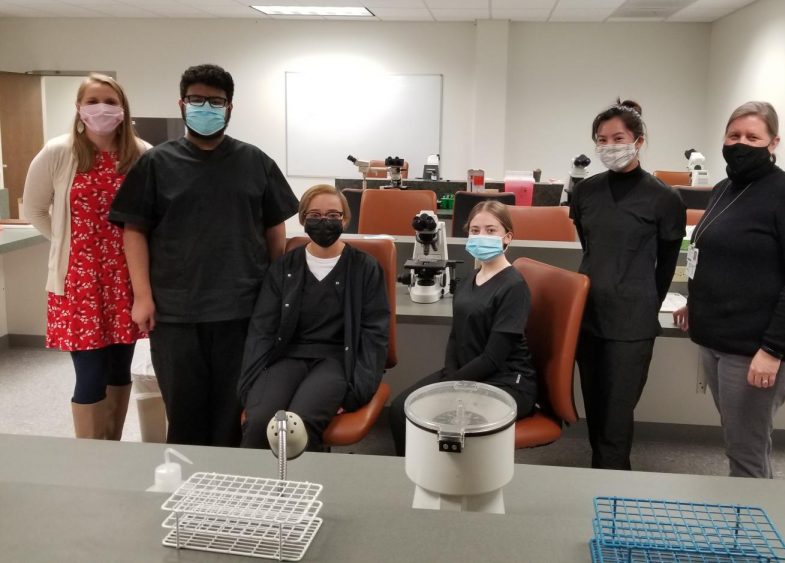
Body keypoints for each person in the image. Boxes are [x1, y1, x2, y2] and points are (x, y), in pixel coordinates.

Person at [109, 64, 299, 447]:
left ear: (230, 108)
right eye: (197, 100)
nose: (206, 107)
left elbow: (274, 230)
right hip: (177, 312)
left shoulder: (255, 162)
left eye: (216, 101)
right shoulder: (155, 164)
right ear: (182, 104)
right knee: (185, 412)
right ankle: (187, 491)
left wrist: (277, 292)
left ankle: (231, 492)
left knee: (234, 410)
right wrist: (142, 296)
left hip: (242, 310)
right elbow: (134, 232)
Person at [674, 101, 785, 478]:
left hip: (758, 348)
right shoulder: (725, 188)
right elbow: (709, 254)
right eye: (734, 135)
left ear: (773, 143)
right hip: (718, 340)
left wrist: (772, 350)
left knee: (745, 453)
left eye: (752, 137)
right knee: (743, 439)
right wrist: (695, 302)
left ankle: (748, 532)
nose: (741, 143)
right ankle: (749, 522)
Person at [23, 73, 150, 440]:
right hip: (79, 283)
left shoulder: (141, 155)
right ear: (79, 108)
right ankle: (89, 455)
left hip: (126, 281)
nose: (102, 109)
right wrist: (67, 242)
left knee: (119, 370)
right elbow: (34, 209)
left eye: (110, 102)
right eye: (93, 101)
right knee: (90, 375)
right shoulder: (59, 152)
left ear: (123, 109)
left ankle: (110, 446)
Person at [570, 99, 686, 470]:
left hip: (633, 320)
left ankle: (614, 485)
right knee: (596, 406)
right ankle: (598, 474)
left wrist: (642, 302)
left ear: (638, 140)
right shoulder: (584, 193)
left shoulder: (664, 198)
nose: (609, 146)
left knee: (618, 414)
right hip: (588, 316)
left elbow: (667, 262)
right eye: (601, 139)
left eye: (617, 137)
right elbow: (591, 249)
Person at [238, 185, 390, 450]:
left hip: (336, 360)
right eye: (315, 214)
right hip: (289, 356)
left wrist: (358, 392)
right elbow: (262, 329)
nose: (324, 221)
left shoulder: (365, 267)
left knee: (300, 424)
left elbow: (374, 334)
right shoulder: (285, 266)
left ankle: (304, 490)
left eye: (333, 215)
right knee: (260, 419)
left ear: (345, 219)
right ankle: (257, 489)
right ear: (303, 218)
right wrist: (250, 384)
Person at [389, 200, 536, 455]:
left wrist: (450, 384)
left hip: (505, 381)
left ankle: (451, 482)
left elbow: (493, 358)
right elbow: (456, 337)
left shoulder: (514, 286)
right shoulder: (469, 280)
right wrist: (450, 374)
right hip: (465, 374)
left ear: (507, 237)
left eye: (491, 231)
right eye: (475, 230)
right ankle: (413, 478)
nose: (481, 236)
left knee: (447, 425)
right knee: (401, 409)